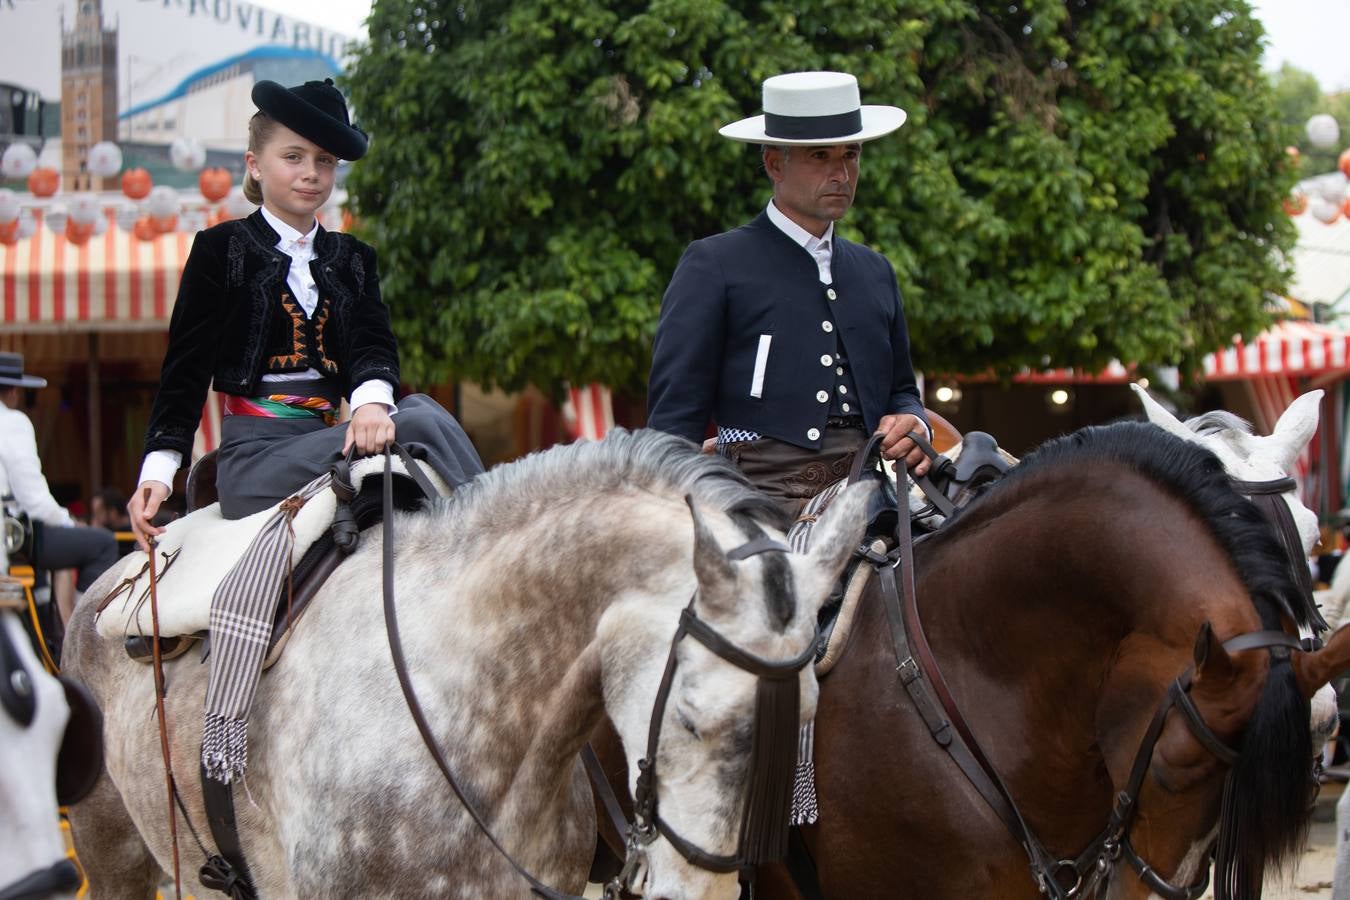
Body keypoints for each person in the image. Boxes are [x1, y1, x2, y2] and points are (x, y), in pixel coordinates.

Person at [128, 79, 484, 550]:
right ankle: (492, 530)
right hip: (254, 459)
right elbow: (185, 370)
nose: (310, 172)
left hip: (327, 438)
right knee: (417, 421)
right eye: (293, 157)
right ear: (255, 165)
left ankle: (484, 525)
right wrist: (158, 470)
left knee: (419, 408)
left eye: (324, 161)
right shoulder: (221, 249)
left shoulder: (354, 257)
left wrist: (371, 403)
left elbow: (371, 341)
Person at [647, 71, 931, 515]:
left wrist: (914, 421)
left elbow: (900, 390)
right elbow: (673, 422)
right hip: (750, 502)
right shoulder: (715, 263)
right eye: (821, 156)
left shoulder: (876, 271)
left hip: (872, 498)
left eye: (851, 155)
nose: (842, 174)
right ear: (774, 164)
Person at [0, 352, 119, 613]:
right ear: (12, 393)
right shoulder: (12, 421)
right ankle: (84, 632)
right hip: (11, 536)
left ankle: (45, 619)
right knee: (103, 544)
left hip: (15, 534)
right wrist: (68, 521)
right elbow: (34, 500)